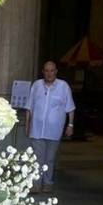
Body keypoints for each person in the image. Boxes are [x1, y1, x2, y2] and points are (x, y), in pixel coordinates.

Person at [26, 61, 75, 194]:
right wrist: (27, 125)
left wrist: (70, 125)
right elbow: (29, 107)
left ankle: (48, 183)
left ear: (56, 71)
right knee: (37, 159)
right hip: (36, 129)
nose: (49, 73)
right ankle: (36, 184)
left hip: (54, 130)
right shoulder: (36, 85)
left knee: (50, 159)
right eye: (47, 71)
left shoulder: (63, 86)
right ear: (43, 72)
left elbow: (70, 108)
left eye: (52, 70)